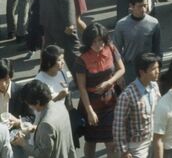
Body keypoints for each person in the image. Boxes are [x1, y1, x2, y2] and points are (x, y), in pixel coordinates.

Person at [74, 23, 125, 158]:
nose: (98, 44)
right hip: (91, 103)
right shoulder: (82, 60)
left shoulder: (111, 49)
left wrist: (109, 82)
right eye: (94, 41)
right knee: (91, 141)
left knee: (111, 142)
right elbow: (82, 88)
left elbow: (121, 69)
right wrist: (90, 111)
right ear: (88, 42)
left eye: (101, 40)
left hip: (111, 101)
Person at [113, 52, 161, 158]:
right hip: (137, 147)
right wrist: (124, 151)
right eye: (153, 69)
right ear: (142, 72)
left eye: (158, 67)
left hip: (154, 139)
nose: (158, 71)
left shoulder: (154, 86)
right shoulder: (127, 96)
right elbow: (119, 126)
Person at [12, 80, 76, 158]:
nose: (29, 107)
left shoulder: (46, 124)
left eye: (29, 104)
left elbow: (43, 155)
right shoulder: (60, 106)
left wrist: (23, 143)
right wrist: (36, 128)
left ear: (38, 102)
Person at [114, 0, 163, 84]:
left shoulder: (154, 23)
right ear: (131, 6)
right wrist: (118, 73)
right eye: (140, 6)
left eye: (145, 5)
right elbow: (116, 52)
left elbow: (158, 49)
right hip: (130, 70)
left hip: (149, 68)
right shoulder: (121, 25)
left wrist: (157, 68)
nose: (144, 9)